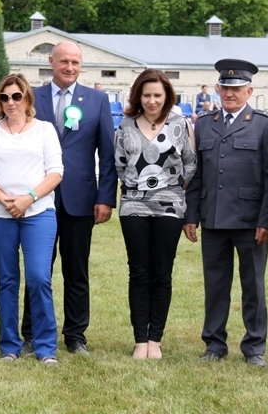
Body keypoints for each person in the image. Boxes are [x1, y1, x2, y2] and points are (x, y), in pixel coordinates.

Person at [20, 41, 118, 356]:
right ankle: (31, 334)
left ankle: (76, 335)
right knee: (38, 270)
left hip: (80, 200)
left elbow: (108, 153)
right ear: (51, 62)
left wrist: (106, 197)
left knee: (77, 272)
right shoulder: (31, 96)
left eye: (75, 62)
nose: (70, 68)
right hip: (39, 199)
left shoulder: (98, 100)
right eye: (64, 61)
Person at [184, 60, 268, 367]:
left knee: (254, 285)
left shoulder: (264, 123)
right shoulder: (204, 123)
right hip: (213, 218)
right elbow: (196, 175)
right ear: (217, 89)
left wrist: (266, 220)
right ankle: (214, 343)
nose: (230, 94)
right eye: (225, 87)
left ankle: (255, 347)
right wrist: (191, 216)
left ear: (249, 90)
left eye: (237, 89)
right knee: (215, 284)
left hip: (250, 222)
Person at [0, 73, 63, 365]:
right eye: (4, 97)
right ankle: (9, 346)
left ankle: (46, 348)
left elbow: (55, 172)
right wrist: (4, 199)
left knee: (38, 278)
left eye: (16, 96)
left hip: (38, 214)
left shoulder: (45, 130)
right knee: (7, 280)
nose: (11, 102)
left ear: (27, 99)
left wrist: (28, 198)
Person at [115, 69, 196, 360]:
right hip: (134, 205)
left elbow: (190, 166)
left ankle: (155, 340)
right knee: (138, 272)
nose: (152, 100)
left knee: (162, 273)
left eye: (157, 95)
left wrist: (166, 189)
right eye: (147, 95)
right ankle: (139, 340)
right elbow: (120, 166)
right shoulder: (125, 125)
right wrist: (140, 189)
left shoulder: (181, 124)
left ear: (167, 96)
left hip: (170, 206)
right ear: (139, 96)